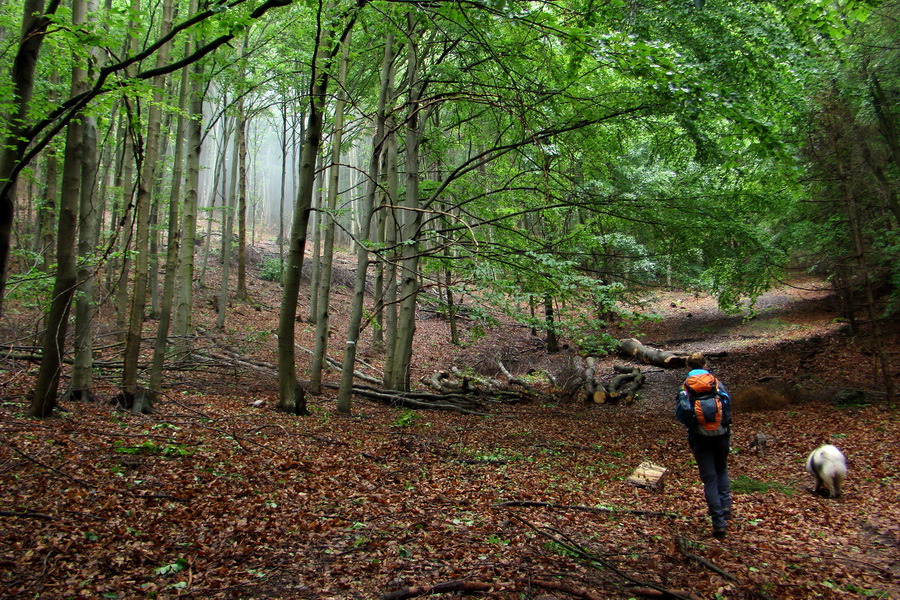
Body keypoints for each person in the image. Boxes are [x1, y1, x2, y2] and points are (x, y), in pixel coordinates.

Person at [675, 352, 732, 539]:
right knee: (721, 469)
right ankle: (725, 507)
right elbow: (727, 404)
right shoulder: (716, 383)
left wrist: (693, 423)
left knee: (709, 478)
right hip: (722, 435)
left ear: (688, 367)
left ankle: (718, 522)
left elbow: (681, 413)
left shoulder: (686, 387)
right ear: (705, 364)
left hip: (700, 438)